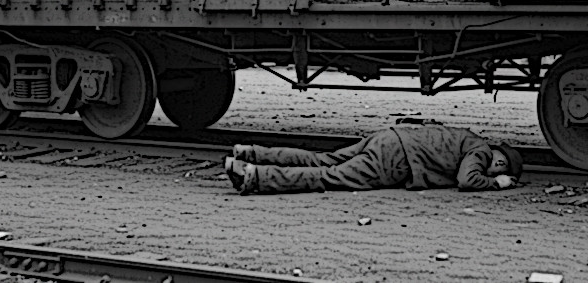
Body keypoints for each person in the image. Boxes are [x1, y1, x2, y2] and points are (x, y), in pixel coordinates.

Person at [222, 124, 523, 195]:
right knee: (329, 177)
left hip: (388, 138)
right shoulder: (481, 151)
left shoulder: (467, 137)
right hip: (397, 159)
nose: (495, 168)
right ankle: (255, 176)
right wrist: (497, 183)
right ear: (499, 159)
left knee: (322, 160)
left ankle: (251, 152)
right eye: (500, 166)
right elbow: (467, 180)